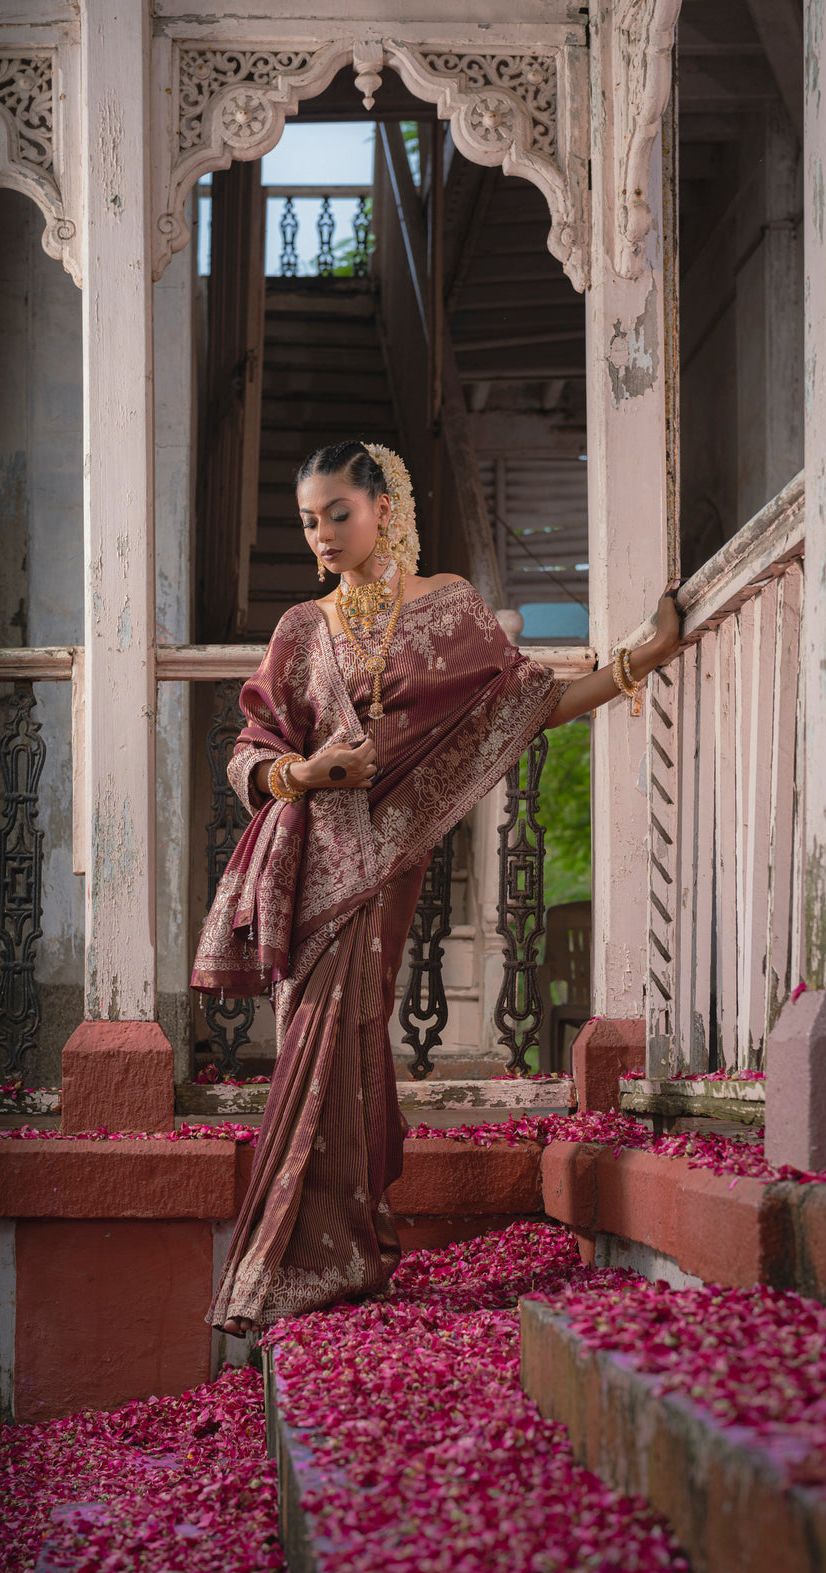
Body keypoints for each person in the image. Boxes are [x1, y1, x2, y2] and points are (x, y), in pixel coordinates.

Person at [192, 440, 681, 1338]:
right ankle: (299, 1268)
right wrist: (307, 774)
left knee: (356, 1043)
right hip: (319, 870)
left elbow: (526, 705)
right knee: (313, 1052)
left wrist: (635, 661)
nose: (324, 535)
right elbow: (248, 756)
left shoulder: (449, 608)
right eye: (309, 520)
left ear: (386, 504)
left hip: (389, 861)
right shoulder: (303, 629)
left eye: (339, 512)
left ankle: (347, 1251)